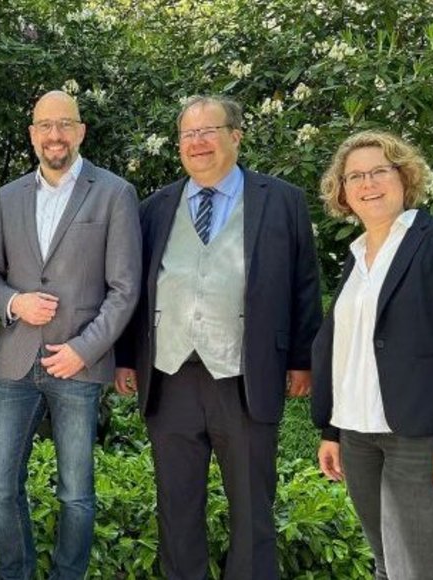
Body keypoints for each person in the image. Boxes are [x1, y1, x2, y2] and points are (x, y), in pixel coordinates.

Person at [114, 95, 322, 580]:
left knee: (252, 508)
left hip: (245, 377)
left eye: (209, 131)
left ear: (236, 136)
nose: (198, 143)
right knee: (177, 507)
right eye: (188, 134)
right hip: (170, 377)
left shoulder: (282, 200)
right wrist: (126, 357)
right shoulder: (154, 207)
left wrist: (301, 359)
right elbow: (133, 288)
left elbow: (304, 284)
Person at [0, 90, 141, 579]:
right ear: (32, 134)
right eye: (45, 125)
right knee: (0, 487)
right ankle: (16, 572)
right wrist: (13, 302)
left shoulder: (113, 193)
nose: (54, 135)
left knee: (76, 493)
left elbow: (124, 289)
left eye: (64, 124)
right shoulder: (8, 198)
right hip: (14, 362)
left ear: (81, 131)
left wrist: (83, 350)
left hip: (78, 363)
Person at [312, 131, 433, 579]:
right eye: (355, 176)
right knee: (386, 567)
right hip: (358, 437)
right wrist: (333, 429)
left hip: (423, 438)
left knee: (414, 572)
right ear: (343, 191)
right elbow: (348, 352)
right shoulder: (355, 258)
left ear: (404, 176)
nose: (367, 183)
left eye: (378, 171)